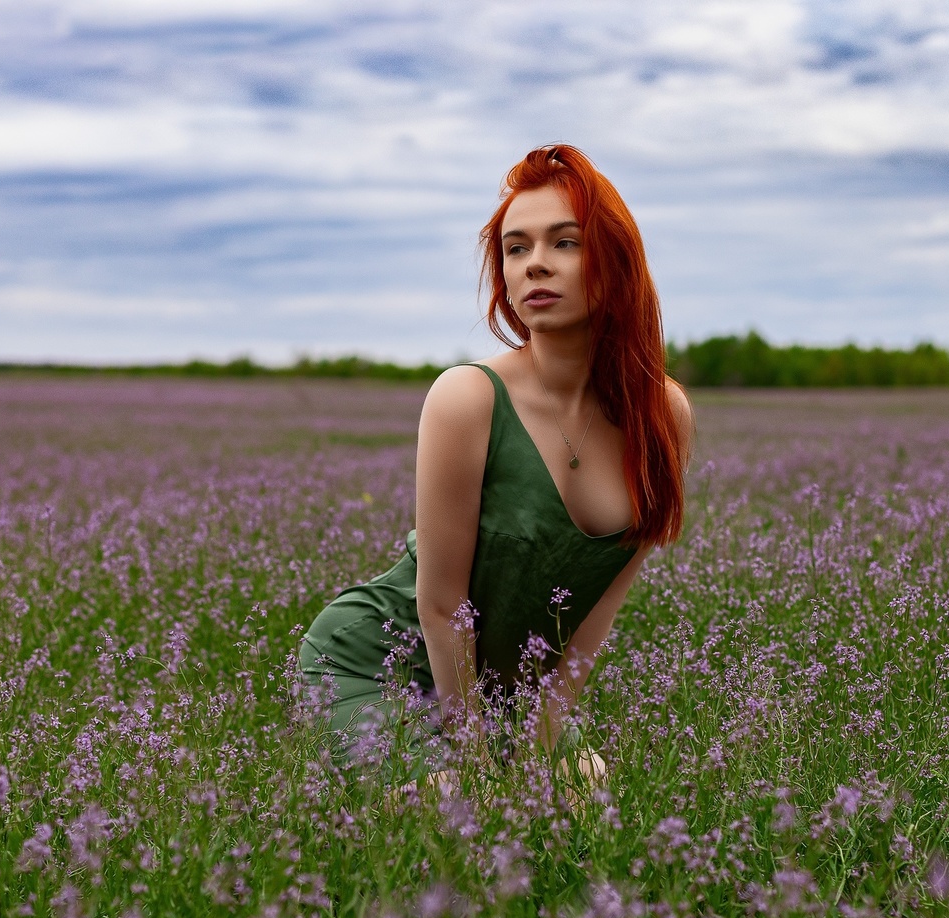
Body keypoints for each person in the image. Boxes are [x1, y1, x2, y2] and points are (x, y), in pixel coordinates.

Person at [297, 144, 693, 788]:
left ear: (616, 260)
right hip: (382, 663)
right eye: (516, 248)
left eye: (565, 243)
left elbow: (596, 608)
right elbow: (440, 603)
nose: (536, 263)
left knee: (582, 797)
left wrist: (536, 744)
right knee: (456, 811)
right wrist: (479, 767)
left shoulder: (662, 417)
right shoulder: (468, 397)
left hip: (510, 682)